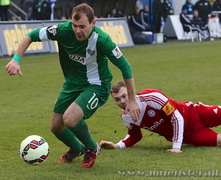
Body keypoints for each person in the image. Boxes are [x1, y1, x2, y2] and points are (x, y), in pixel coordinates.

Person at [5, 3, 140, 168]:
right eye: (75, 26)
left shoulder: (102, 39)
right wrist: (16, 59)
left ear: (93, 23)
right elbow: (30, 35)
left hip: (97, 86)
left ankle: (92, 147)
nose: (77, 31)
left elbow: (125, 66)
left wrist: (132, 99)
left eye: (82, 26)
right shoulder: (62, 30)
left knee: (69, 119)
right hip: (71, 84)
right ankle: (76, 148)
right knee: (56, 126)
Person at [100, 82, 221, 152]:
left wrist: (176, 147)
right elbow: (134, 136)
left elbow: (176, 117)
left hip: (193, 113)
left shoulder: (151, 96)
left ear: (131, 91)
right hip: (189, 135)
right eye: (117, 99)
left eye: (124, 96)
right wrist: (117, 145)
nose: (122, 101)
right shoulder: (126, 117)